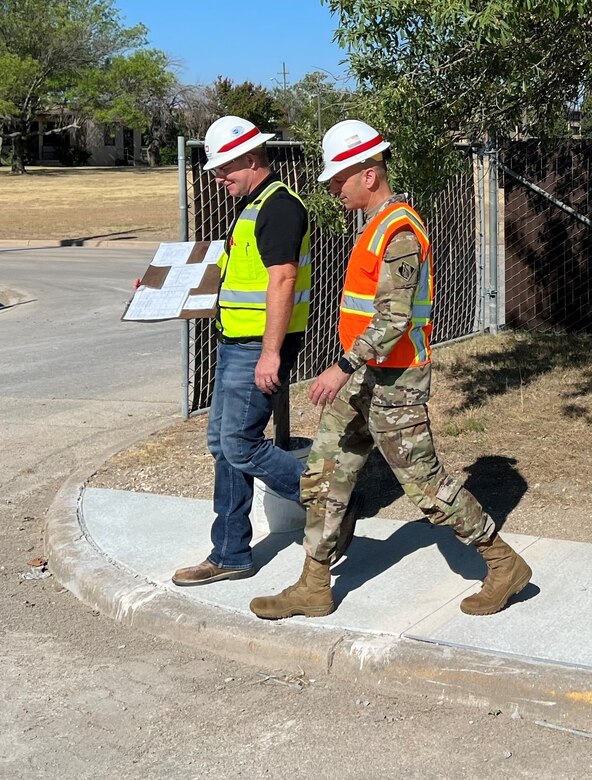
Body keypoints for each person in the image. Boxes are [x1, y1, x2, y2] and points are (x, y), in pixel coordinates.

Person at [250, 119, 531, 618]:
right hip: (361, 380)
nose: (333, 188)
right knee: (325, 474)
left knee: (425, 487)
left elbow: (394, 320)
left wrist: (340, 365)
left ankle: (503, 564)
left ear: (369, 174)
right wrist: (347, 372)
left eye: (338, 179)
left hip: (394, 382)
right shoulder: (375, 226)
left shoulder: (399, 231)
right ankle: (314, 586)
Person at [173, 116, 310, 586]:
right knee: (224, 446)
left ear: (250, 159)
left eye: (223, 167)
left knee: (239, 443)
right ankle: (230, 552)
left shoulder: (279, 207)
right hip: (238, 342)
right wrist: (163, 289)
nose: (216, 176)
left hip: (258, 346)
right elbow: (233, 276)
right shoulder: (252, 206)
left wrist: (271, 354)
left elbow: (283, 279)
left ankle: (327, 496)